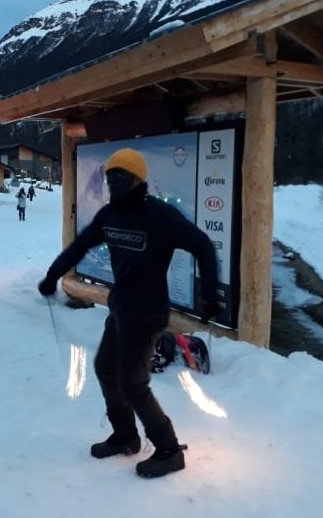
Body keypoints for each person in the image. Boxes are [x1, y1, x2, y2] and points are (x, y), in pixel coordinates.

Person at [37, 148, 219, 479]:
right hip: (121, 307)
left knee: (133, 382)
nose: (114, 182)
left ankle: (168, 450)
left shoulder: (160, 216)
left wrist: (209, 295)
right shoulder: (110, 215)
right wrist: (52, 275)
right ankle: (125, 436)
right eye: (110, 176)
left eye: (122, 176)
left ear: (138, 180)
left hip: (148, 312)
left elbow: (203, 246)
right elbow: (79, 246)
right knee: (106, 367)